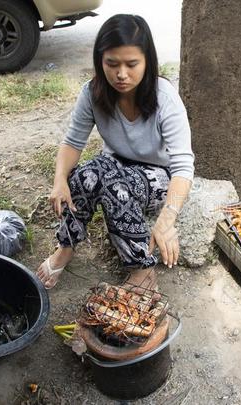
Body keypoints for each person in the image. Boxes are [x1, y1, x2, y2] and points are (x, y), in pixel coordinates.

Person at [36, 14, 194, 291]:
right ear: (100, 61)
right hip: (116, 162)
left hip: (159, 173)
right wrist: (59, 179)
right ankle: (66, 247)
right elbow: (73, 142)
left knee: (113, 186)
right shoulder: (93, 93)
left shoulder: (164, 98)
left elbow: (183, 165)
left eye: (132, 64)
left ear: (147, 61)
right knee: (84, 175)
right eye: (112, 64)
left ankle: (141, 269)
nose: (121, 74)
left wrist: (167, 218)